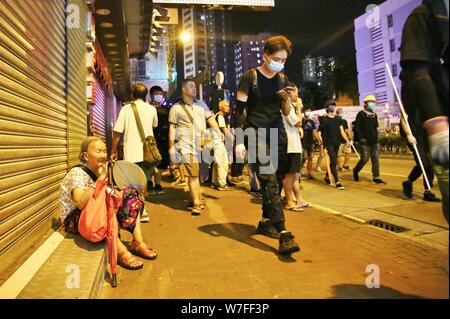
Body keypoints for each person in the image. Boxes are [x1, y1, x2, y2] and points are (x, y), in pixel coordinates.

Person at [234, 35, 300, 255]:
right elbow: (240, 111)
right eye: (277, 58)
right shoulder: (249, 77)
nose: (280, 63)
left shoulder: (283, 80)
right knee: (269, 180)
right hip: (254, 133)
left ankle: (265, 222)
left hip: (277, 133)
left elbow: (287, 113)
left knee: (277, 180)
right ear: (265, 56)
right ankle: (283, 233)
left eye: (283, 59)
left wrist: (288, 99)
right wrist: (239, 140)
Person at [60, 137, 157, 270]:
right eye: (99, 151)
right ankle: (121, 251)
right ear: (85, 155)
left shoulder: (99, 170)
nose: (103, 155)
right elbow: (80, 202)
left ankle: (138, 242)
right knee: (105, 203)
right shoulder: (77, 173)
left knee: (131, 193)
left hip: (93, 212)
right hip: (74, 219)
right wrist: (100, 179)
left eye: (105, 151)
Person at [400, 0, 448, 220]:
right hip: (438, 129)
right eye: (277, 60)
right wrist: (436, 125)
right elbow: (417, 70)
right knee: (435, 170)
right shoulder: (423, 16)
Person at [168, 79, 222, 216]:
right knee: (193, 173)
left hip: (202, 145)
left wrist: (218, 131)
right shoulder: (176, 108)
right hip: (185, 145)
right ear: (183, 89)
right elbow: (172, 128)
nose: (194, 89)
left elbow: (210, 119)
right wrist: (171, 146)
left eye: (195, 87)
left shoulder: (201, 105)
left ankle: (195, 196)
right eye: (191, 86)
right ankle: (196, 203)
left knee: (200, 174)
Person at [111, 83, 159, 202]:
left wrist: (114, 150)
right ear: (145, 95)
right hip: (147, 152)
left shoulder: (126, 109)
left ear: (132, 95)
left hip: (131, 152)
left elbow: (117, 131)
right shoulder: (152, 109)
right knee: (144, 179)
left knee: (132, 181)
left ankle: (135, 206)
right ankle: (143, 208)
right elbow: (155, 124)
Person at [400, 115, 441, 202]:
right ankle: (409, 182)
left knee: (429, 165)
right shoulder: (409, 102)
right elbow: (403, 119)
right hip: (414, 138)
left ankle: (427, 192)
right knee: (423, 163)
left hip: (426, 136)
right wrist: (408, 134)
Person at [282, 84, 308, 211]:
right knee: (289, 176)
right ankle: (289, 202)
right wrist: (298, 108)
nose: (297, 94)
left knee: (295, 175)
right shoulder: (287, 107)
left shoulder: (291, 107)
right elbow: (298, 122)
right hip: (290, 146)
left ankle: (299, 200)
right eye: (295, 91)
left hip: (295, 145)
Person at [352, 95, 387, 185]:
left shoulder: (374, 115)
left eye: (374, 102)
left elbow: (375, 127)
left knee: (375, 159)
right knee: (364, 159)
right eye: (371, 102)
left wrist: (377, 138)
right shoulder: (361, 114)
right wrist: (360, 139)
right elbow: (357, 127)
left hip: (374, 142)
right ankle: (355, 170)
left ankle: (376, 177)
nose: (373, 104)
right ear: (366, 104)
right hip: (364, 142)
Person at [317, 102, 350, 190]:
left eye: (334, 105)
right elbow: (319, 131)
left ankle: (327, 176)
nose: (333, 107)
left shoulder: (338, 119)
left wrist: (347, 140)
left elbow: (342, 131)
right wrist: (320, 141)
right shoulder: (324, 119)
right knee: (334, 161)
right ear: (327, 108)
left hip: (336, 143)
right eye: (331, 105)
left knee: (333, 162)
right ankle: (337, 181)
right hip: (328, 143)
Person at [149, 85, 170, 195]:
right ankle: (149, 183)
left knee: (161, 164)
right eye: (156, 94)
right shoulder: (148, 109)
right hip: (151, 141)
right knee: (150, 163)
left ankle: (157, 184)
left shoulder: (167, 110)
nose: (159, 96)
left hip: (163, 141)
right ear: (151, 96)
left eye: (160, 94)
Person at [212, 100, 234, 191]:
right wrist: (232, 137)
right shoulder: (220, 116)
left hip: (215, 141)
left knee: (217, 162)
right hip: (218, 141)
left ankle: (215, 182)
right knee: (223, 162)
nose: (228, 107)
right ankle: (222, 184)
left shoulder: (218, 116)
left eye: (228, 106)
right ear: (221, 107)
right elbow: (224, 129)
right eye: (226, 106)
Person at [302, 109, 319, 179]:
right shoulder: (301, 121)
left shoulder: (311, 122)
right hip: (302, 142)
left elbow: (314, 132)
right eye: (307, 111)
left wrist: (318, 139)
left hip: (310, 142)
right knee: (303, 158)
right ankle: (299, 172)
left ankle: (309, 174)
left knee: (310, 158)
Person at [336, 108, 352, 172]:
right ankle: (339, 166)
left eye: (342, 113)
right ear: (337, 114)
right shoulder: (335, 121)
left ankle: (345, 165)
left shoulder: (344, 121)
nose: (341, 114)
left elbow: (347, 130)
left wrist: (350, 137)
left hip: (345, 140)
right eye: (340, 113)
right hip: (338, 140)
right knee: (339, 154)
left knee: (348, 152)